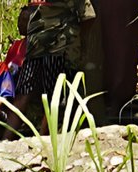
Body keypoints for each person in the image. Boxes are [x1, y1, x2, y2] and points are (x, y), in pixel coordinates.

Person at [12, 0, 92, 128]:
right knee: (25, 91)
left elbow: (87, 17)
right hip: (37, 47)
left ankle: (46, 136)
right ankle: (8, 136)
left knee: (54, 94)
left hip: (59, 46)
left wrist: (83, 46)